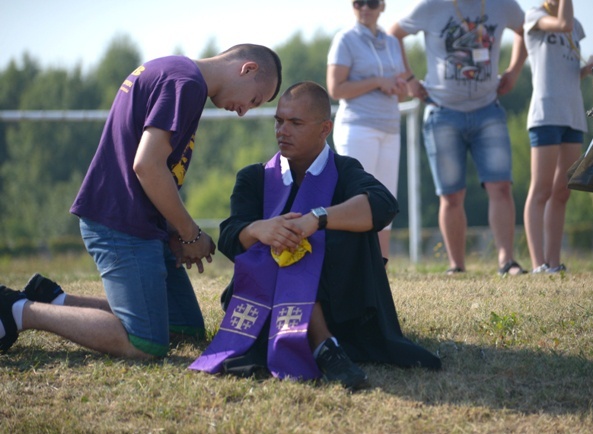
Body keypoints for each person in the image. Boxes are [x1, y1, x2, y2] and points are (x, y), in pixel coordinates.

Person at [0, 44, 283, 357]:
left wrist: (172, 230)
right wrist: (191, 233)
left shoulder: (176, 72)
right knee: (145, 343)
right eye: (254, 100)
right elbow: (147, 166)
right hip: (121, 223)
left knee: (185, 327)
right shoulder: (186, 84)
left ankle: (55, 301)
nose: (244, 110)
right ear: (248, 69)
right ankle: (18, 311)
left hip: (143, 223)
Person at [189, 82, 441, 390]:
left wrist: (317, 219)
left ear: (325, 129)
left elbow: (383, 204)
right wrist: (259, 229)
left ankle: (318, 338)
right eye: (279, 121)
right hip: (267, 302)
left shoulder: (345, 170)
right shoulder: (255, 177)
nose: (283, 131)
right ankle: (323, 345)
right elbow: (229, 235)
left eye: (295, 123)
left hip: (340, 304)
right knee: (278, 240)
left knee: (334, 230)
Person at [388, 0, 529, 275]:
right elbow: (394, 33)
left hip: (489, 110)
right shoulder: (431, 5)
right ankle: (457, 265)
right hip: (442, 112)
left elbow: (526, 29)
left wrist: (514, 71)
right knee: (451, 195)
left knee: (500, 187)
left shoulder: (503, 5)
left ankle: (507, 261)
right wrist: (409, 78)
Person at [326, 0, 409, 261]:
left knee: (386, 198)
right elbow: (336, 89)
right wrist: (377, 82)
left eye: (371, 2)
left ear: (382, 6)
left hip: (390, 128)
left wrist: (398, 86)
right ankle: (352, 264)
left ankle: (379, 266)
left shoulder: (392, 42)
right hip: (358, 127)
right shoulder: (345, 39)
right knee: (357, 199)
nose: (365, 7)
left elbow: (403, 89)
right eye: (358, 2)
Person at [523, 0, 593, 274]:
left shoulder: (577, 25)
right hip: (546, 114)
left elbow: (569, 72)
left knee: (562, 191)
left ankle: (553, 263)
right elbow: (563, 23)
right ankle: (537, 264)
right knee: (541, 189)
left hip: (573, 114)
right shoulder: (535, 15)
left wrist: (588, 68)